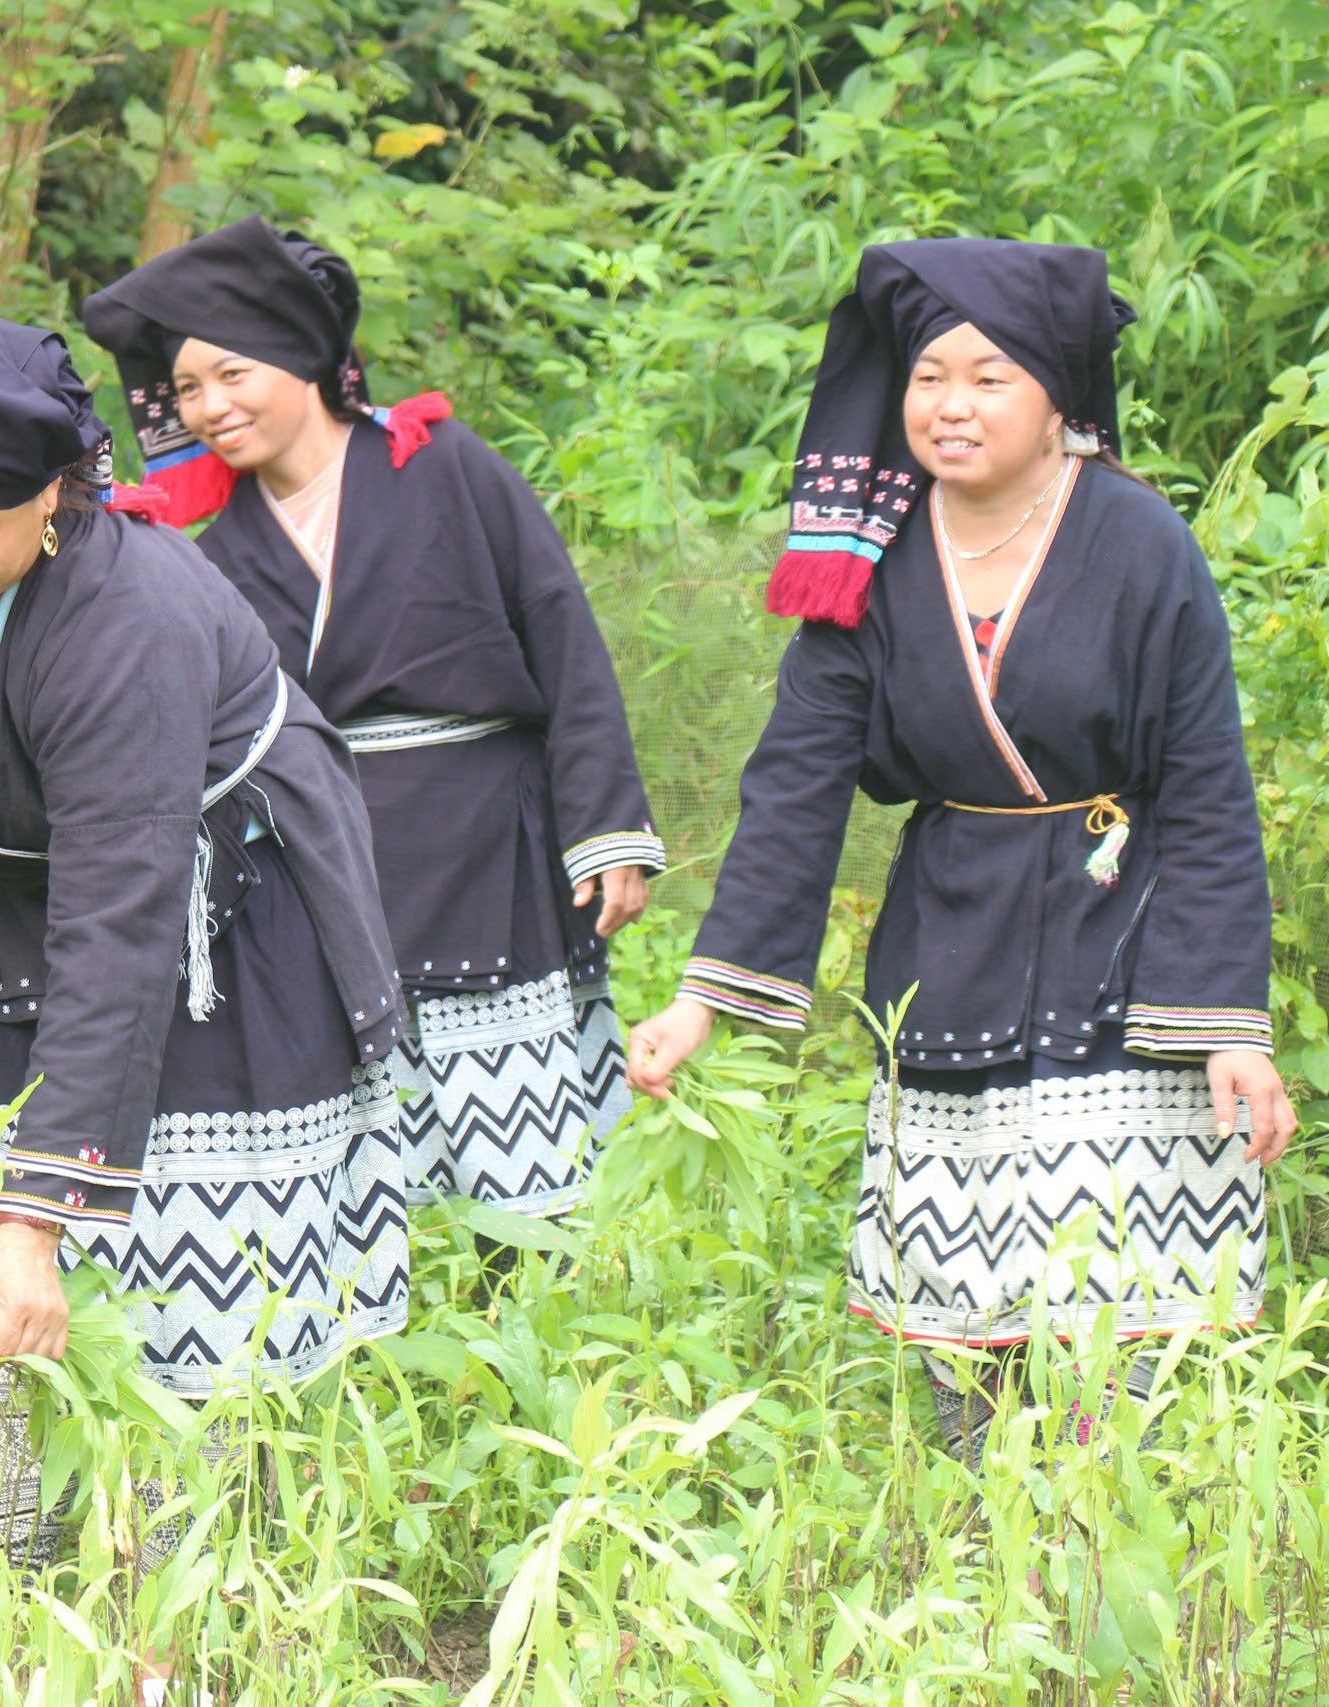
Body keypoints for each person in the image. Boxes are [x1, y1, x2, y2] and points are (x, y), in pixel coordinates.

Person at [0, 307, 412, 1572]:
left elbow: (123, 906)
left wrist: (40, 1216)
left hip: (236, 927)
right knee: (18, 1252)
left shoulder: (129, 619)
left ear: (53, 499)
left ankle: (200, 1580)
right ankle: (27, 1558)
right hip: (48, 915)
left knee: (194, 1248)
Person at [627, 238, 1297, 1466]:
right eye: (929, 376)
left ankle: (1113, 1532)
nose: (949, 405)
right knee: (969, 1297)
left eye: (989, 377)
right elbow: (798, 781)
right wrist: (699, 1001)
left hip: (1126, 936)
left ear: (1058, 398)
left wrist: (1227, 1027)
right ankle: (981, 1542)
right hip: (953, 941)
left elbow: (1204, 791)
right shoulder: (867, 562)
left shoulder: (1143, 547)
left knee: (1123, 1301)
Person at [82, 218, 662, 1230]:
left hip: (486, 846)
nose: (209, 408)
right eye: (185, 391)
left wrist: (605, 823)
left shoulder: (445, 467)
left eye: (231, 373)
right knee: (379, 1163)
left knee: (520, 1168)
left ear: (305, 352)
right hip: (323, 864)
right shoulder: (211, 550)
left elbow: (560, 634)